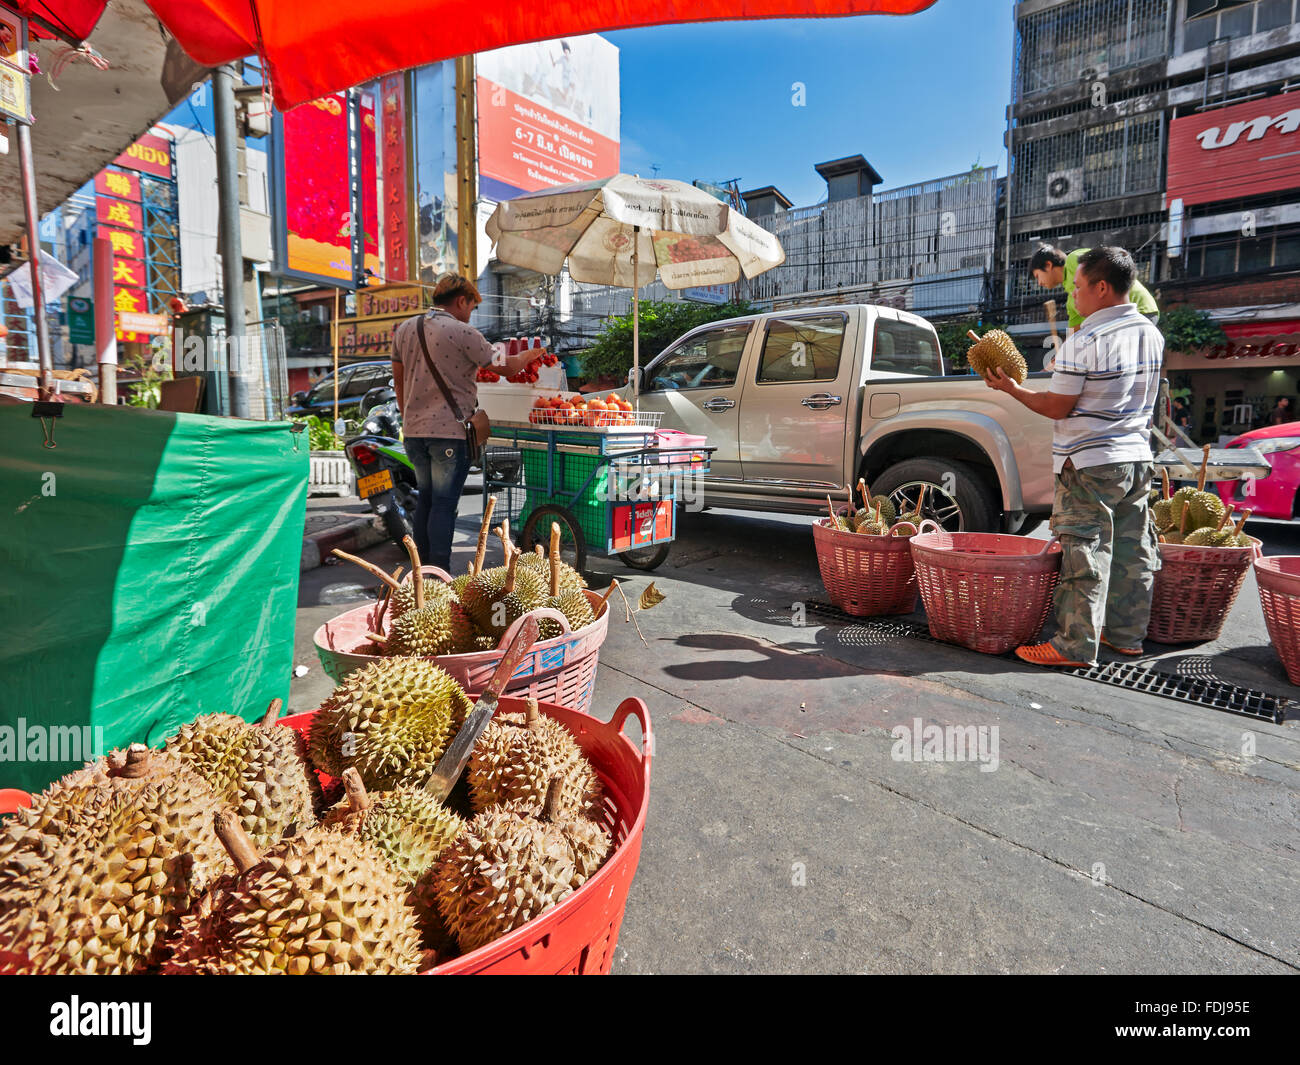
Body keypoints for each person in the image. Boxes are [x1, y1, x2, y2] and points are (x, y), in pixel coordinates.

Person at [986, 247, 1164, 668]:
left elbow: (1056, 406)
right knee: (1131, 549)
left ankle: (1073, 647)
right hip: (1137, 458)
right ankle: (1126, 637)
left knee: (1085, 551)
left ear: (1102, 288)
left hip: (1089, 461)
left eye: (1079, 288)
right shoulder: (1151, 334)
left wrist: (1011, 388)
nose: (1075, 297)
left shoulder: (1086, 339)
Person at [391, 274, 543, 570]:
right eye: (471, 307)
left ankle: (422, 572)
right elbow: (506, 368)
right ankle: (439, 574)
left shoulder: (405, 329)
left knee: (427, 501)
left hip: (413, 433)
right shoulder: (463, 332)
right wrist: (528, 355)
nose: (470, 314)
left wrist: (410, 418)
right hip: (449, 433)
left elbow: (399, 384)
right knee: (444, 506)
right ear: (461, 300)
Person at [1031, 244, 1160, 333]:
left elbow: (1106, 264)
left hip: (1138, 309)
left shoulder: (1074, 260)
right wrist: (1062, 355)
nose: (1039, 283)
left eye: (1037, 276)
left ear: (1048, 265)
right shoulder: (1072, 300)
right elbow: (1074, 333)